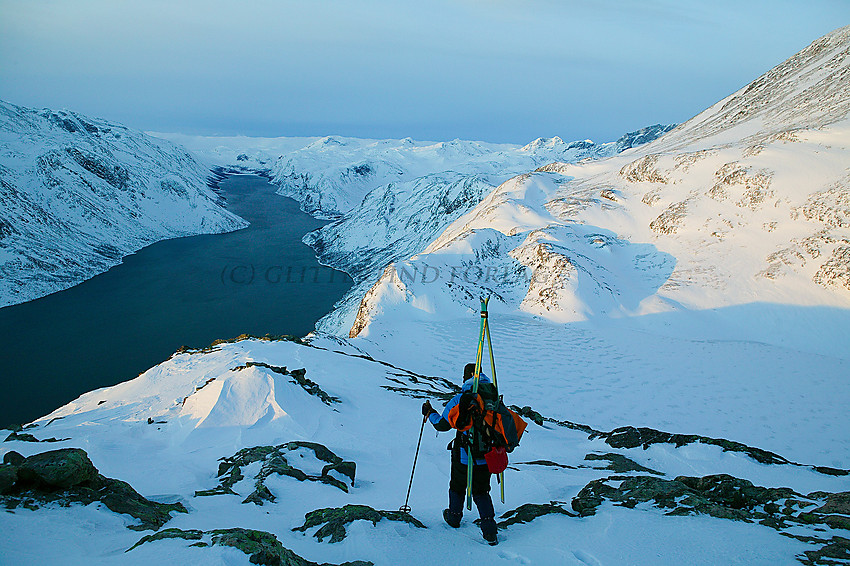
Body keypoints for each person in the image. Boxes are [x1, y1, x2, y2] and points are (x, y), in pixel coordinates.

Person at [421, 362, 498, 545]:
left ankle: (454, 517)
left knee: (457, 485)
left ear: (466, 377)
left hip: (463, 454)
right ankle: (490, 531)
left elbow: (443, 425)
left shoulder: (460, 399)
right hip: (487, 454)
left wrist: (429, 413)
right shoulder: (492, 399)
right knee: (481, 490)